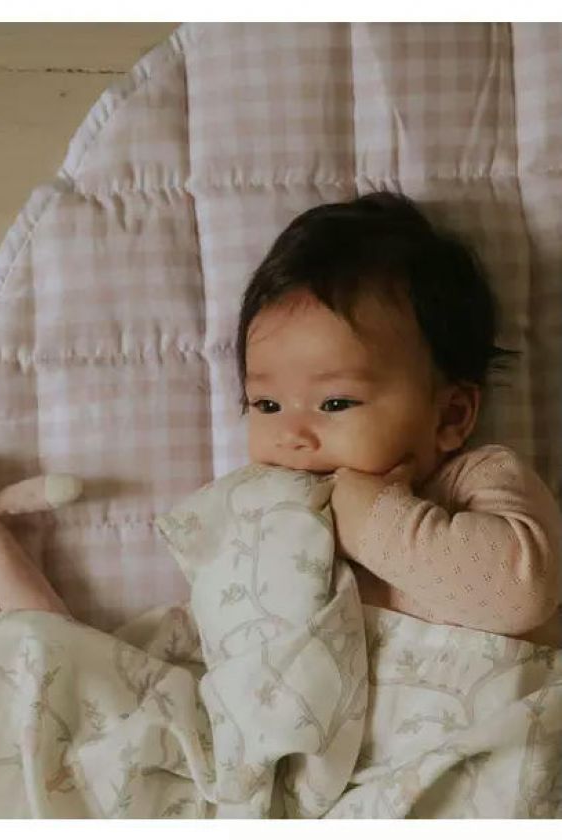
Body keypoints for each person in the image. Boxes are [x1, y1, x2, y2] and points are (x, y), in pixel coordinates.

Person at [237, 190, 561, 648]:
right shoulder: (265, 517)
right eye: (267, 405)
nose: (291, 436)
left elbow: (524, 593)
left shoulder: (476, 480)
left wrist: (370, 517)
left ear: (450, 416)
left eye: (335, 403)